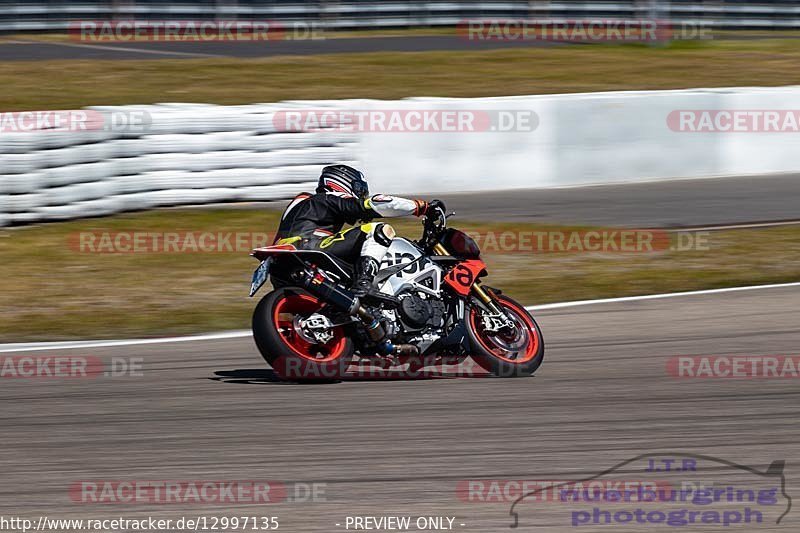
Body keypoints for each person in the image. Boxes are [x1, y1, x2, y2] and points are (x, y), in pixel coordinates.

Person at [273, 164, 439, 296]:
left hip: (280, 263)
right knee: (379, 230)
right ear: (340, 183)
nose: (361, 194)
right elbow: (372, 204)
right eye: (359, 189)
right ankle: (365, 281)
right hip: (310, 247)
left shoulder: (301, 204)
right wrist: (420, 207)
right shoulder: (328, 197)